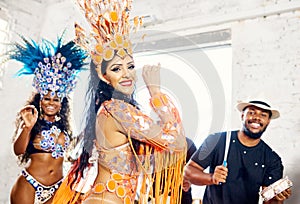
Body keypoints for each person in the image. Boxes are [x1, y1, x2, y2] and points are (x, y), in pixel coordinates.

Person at [53, 0, 187, 204]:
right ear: (104, 76)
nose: (127, 75)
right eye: (116, 69)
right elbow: (176, 141)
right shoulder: (117, 110)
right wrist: (156, 94)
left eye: (130, 66)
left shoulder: (110, 109)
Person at [7, 35, 87, 204]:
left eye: (56, 99)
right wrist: (27, 128)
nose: (51, 103)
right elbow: (19, 150)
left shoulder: (64, 126)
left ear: (61, 103)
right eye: (47, 99)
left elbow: (66, 154)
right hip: (30, 185)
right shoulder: (31, 120)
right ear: (40, 100)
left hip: (58, 186)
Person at [183, 98, 292, 204]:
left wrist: (277, 198)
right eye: (252, 112)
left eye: (263, 115)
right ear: (242, 115)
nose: (257, 118)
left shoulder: (272, 159)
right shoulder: (216, 141)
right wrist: (211, 178)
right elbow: (188, 171)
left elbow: (269, 199)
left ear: (268, 121)